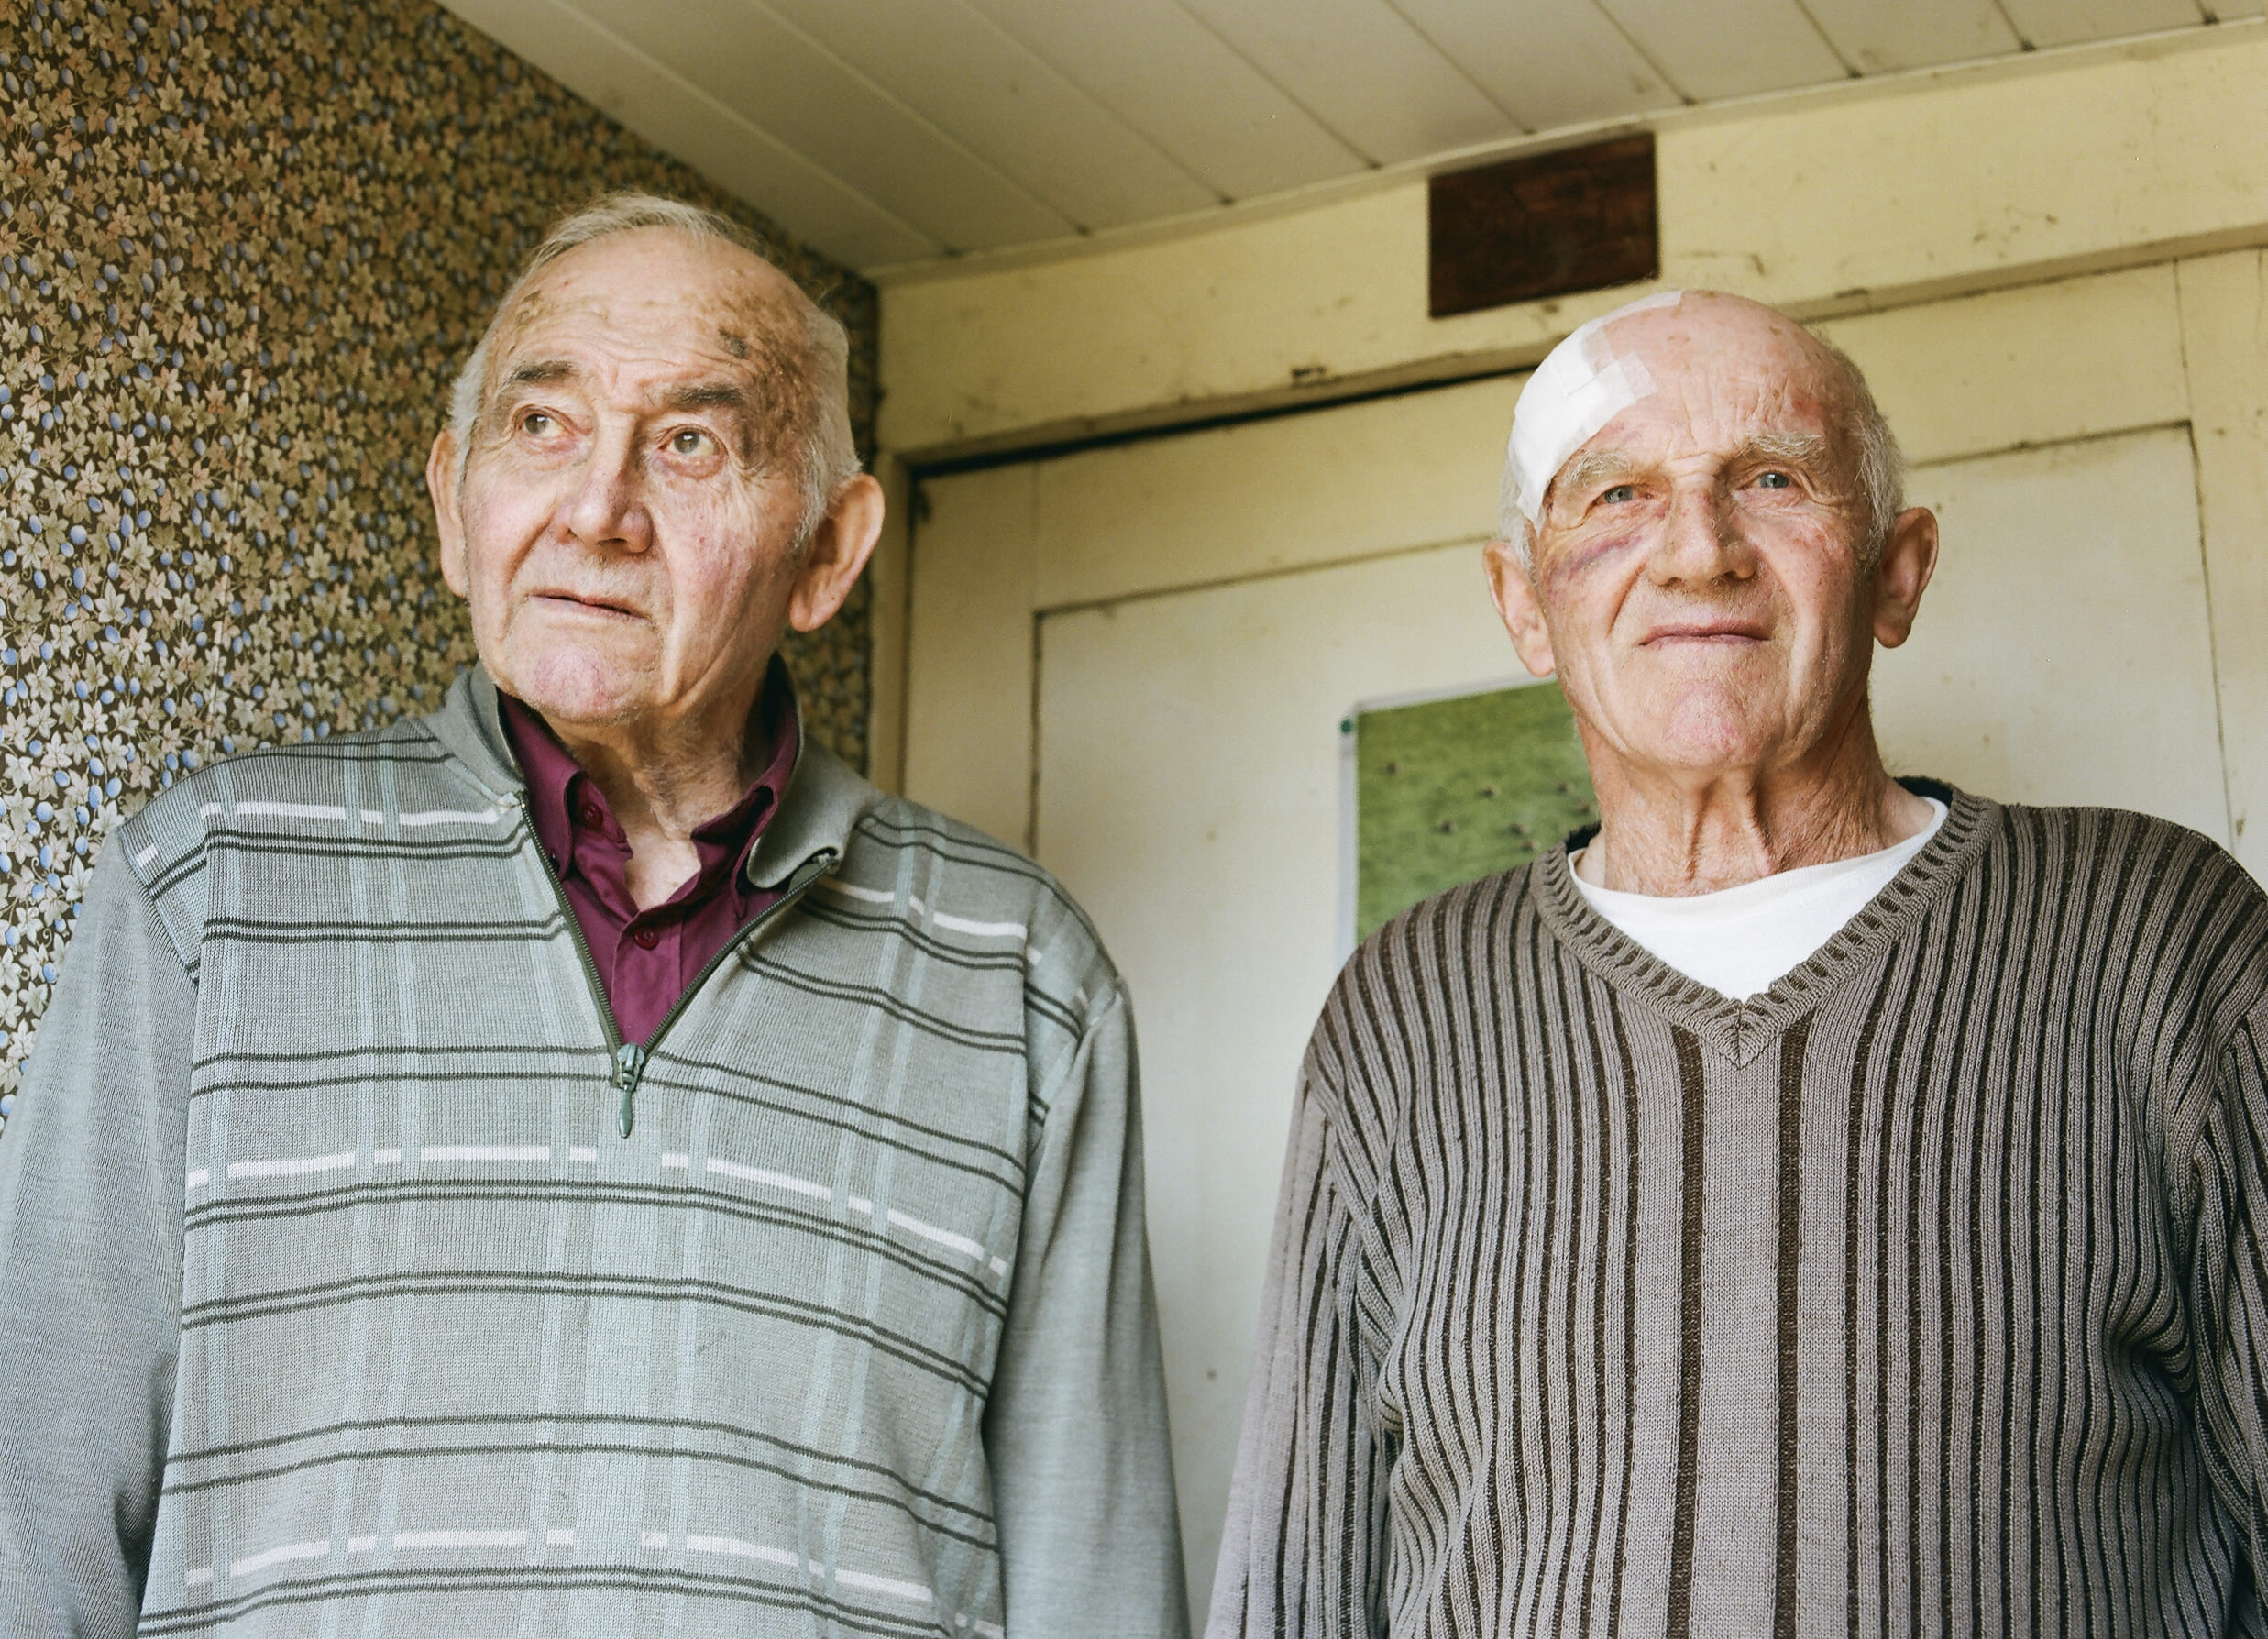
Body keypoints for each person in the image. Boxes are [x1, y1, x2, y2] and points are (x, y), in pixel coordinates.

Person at [0, 192, 1187, 1638]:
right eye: (540, 427)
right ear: (452, 503)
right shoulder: (205, 887)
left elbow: (1095, 1579)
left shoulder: (1019, 978)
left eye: (689, 442)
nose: (594, 511)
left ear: (828, 552)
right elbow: (31, 1516)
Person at [1209, 288, 2268, 1635]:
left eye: (1770, 479)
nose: (1696, 551)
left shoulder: (2155, 937)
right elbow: (1296, 1589)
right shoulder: (1403, 1009)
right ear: (1521, 604)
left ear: (1897, 568)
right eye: (1611, 497)